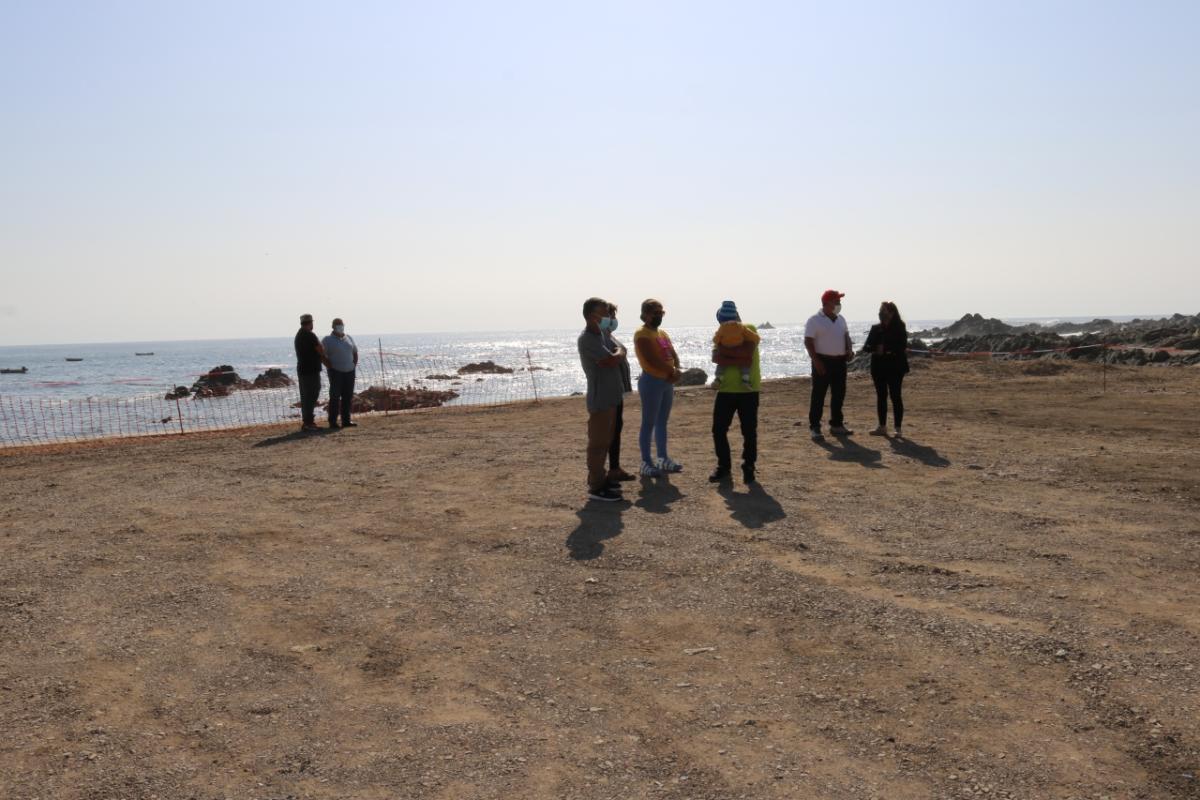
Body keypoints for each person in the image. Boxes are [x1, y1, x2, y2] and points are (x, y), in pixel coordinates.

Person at [577, 297, 626, 502]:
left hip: (612, 397)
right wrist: (618, 354)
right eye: (604, 313)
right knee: (597, 444)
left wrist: (619, 353)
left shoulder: (603, 333)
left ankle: (602, 479)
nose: (608, 317)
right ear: (591, 316)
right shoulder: (587, 338)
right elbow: (611, 359)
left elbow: (621, 351)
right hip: (600, 399)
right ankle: (596, 487)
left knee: (606, 442)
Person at [709, 301, 761, 484]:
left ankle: (748, 466)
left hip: (749, 390)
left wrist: (726, 353)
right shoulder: (722, 334)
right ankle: (724, 466)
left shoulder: (749, 328)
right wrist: (737, 357)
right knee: (718, 430)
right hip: (725, 390)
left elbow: (747, 352)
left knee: (749, 431)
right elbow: (716, 358)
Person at [633, 298, 683, 477]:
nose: (659, 316)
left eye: (661, 313)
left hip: (666, 382)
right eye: (656, 313)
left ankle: (662, 458)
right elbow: (651, 358)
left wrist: (676, 369)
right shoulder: (642, 334)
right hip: (651, 382)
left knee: (662, 421)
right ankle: (646, 462)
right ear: (646, 314)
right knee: (648, 423)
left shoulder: (662, 333)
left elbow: (672, 353)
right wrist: (672, 371)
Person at [804, 290, 854, 439]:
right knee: (818, 395)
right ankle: (815, 427)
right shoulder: (814, 320)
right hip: (823, 361)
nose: (839, 304)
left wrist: (849, 350)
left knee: (839, 394)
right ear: (826, 303)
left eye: (839, 301)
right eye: (836, 301)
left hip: (839, 362)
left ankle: (836, 425)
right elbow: (808, 342)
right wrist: (816, 361)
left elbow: (846, 336)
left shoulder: (841, 319)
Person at [864, 301, 910, 437]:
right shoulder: (875, 328)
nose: (881, 313)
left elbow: (902, 346)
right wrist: (875, 348)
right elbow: (866, 347)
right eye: (880, 310)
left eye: (884, 311)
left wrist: (887, 350)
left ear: (892, 312)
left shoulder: (900, 327)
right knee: (881, 396)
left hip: (895, 367)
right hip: (878, 367)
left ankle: (898, 428)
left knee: (895, 396)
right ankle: (882, 426)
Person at [604, 302, 636, 483]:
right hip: (609, 392)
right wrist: (621, 352)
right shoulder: (601, 338)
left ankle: (615, 468)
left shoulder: (610, 336)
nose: (613, 319)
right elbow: (613, 359)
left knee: (616, 429)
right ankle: (610, 471)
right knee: (610, 430)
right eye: (610, 315)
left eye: (614, 316)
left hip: (618, 391)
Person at [712, 300, 760, 389]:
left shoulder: (721, 335)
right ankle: (745, 380)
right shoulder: (750, 328)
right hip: (751, 387)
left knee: (721, 365)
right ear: (736, 316)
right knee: (745, 365)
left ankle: (718, 379)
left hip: (726, 388)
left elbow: (715, 356)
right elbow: (755, 339)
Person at [321, 317, 359, 429]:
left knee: (347, 396)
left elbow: (355, 352)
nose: (340, 326)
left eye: (341, 324)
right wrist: (330, 367)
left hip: (350, 372)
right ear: (333, 327)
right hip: (336, 372)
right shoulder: (327, 340)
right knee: (335, 397)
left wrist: (353, 365)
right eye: (338, 324)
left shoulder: (349, 338)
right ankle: (333, 422)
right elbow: (322, 355)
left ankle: (346, 420)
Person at [294, 313, 328, 432]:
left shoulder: (299, 335)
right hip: (311, 370)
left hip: (303, 369)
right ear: (310, 323)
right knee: (312, 394)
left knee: (305, 396)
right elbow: (320, 349)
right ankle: (309, 422)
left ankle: (307, 422)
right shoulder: (310, 335)